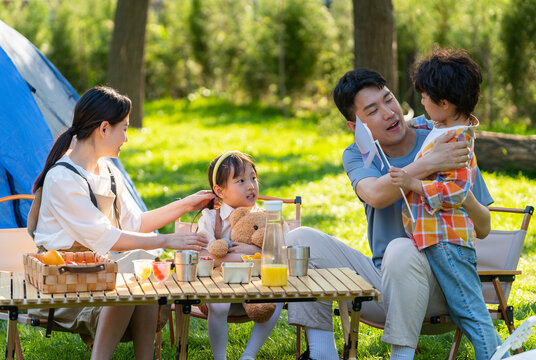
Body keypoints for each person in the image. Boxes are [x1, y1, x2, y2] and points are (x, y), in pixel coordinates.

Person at [286, 68, 493, 360]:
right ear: (355, 126)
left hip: (442, 288)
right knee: (298, 238)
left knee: (402, 248)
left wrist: (462, 194)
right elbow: (375, 195)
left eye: (388, 99)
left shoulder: (441, 135)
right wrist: (427, 165)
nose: (388, 113)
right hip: (382, 287)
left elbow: (484, 227)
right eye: (372, 110)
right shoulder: (358, 154)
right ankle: (322, 353)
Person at [28, 86, 214, 360]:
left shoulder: (108, 170)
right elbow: (108, 238)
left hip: (102, 277)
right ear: (104, 128)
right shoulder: (62, 178)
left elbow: (136, 223)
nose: (126, 138)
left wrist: (186, 204)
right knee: (137, 263)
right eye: (123, 129)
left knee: (139, 266)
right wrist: (166, 240)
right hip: (66, 286)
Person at [389, 48, 502, 359]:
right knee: (470, 313)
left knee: (470, 313)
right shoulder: (444, 127)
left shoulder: (457, 141)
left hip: (447, 241)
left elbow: (457, 190)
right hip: (436, 240)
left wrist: (415, 184)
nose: (421, 102)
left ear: (445, 103)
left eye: (425, 96)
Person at [196, 150, 283, 360]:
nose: (251, 186)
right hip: (218, 287)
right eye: (241, 180)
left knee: (278, 296)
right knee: (219, 302)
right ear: (219, 190)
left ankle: (249, 355)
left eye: (253, 178)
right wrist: (254, 254)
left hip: (257, 288)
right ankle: (220, 358)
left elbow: (278, 253)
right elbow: (206, 256)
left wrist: (232, 253)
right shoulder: (210, 218)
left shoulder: (266, 217)